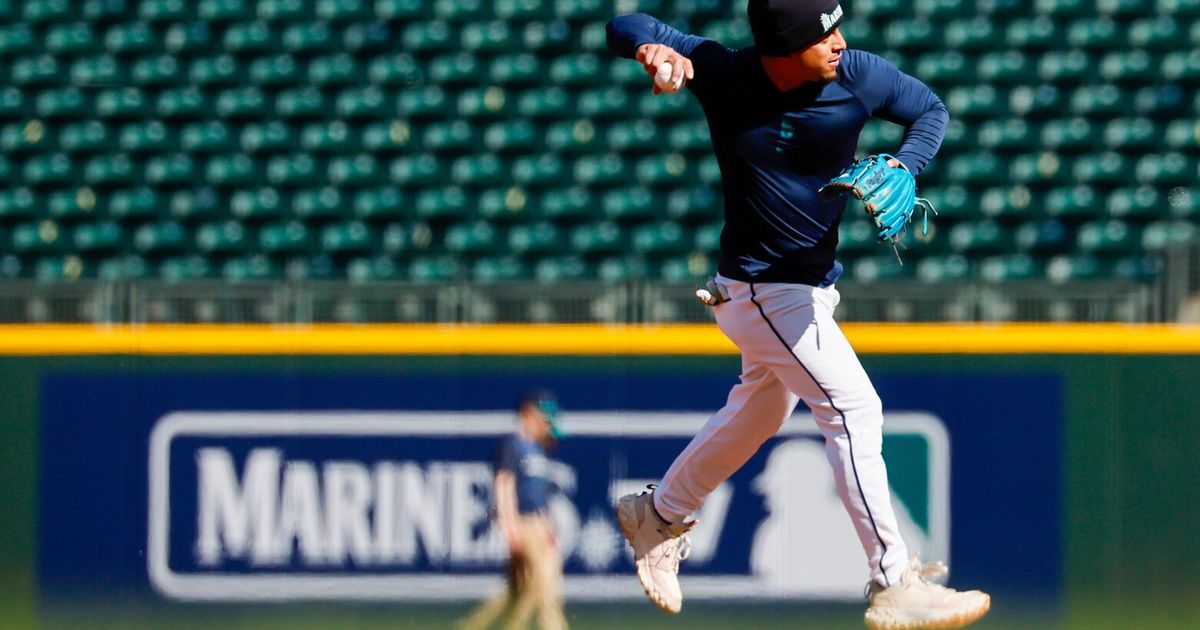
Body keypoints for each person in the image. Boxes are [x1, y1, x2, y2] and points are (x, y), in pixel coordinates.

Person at [606, 2, 991, 628]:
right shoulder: (725, 72)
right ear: (784, 49)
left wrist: (904, 164)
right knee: (854, 409)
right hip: (763, 290)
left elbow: (930, 111)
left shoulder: (858, 74)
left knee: (760, 410)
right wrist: (649, 49)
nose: (840, 42)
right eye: (824, 34)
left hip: (805, 291)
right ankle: (893, 583)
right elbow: (628, 24)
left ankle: (658, 515)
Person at [459, 390, 568, 630]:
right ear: (527, 413)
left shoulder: (537, 448)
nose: (546, 423)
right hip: (522, 522)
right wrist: (510, 527)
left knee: (517, 589)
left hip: (538, 524)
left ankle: (473, 626)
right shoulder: (513, 444)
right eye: (543, 417)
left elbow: (540, 494)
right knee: (546, 584)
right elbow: (504, 485)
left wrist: (547, 525)